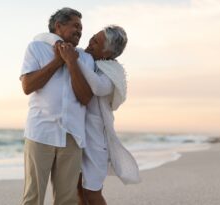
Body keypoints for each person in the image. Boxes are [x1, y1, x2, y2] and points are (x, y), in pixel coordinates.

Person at [34, 25, 141, 205]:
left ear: (107, 52)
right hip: (76, 140)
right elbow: (41, 36)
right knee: (76, 191)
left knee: (92, 193)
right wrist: (59, 43)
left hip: (96, 144)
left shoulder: (113, 71)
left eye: (96, 42)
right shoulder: (86, 59)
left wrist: (73, 61)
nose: (90, 43)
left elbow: (98, 88)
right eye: (92, 38)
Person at [20, 8, 95, 205]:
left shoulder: (85, 59)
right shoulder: (36, 48)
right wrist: (57, 61)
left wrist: (71, 62)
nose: (79, 31)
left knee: (67, 200)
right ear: (58, 26)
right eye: (75, 26)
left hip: (72, 137)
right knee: (32, 197)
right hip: (40, 133)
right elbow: (28, 86)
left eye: (81, 28)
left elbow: (86, 98)